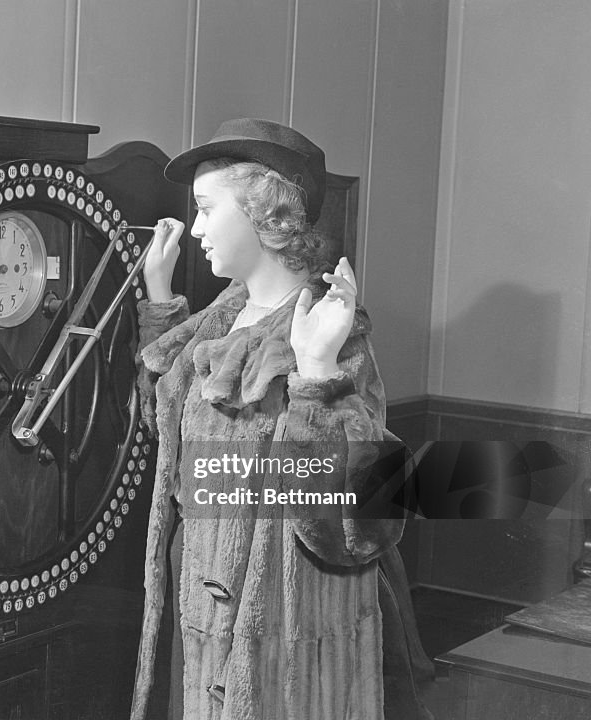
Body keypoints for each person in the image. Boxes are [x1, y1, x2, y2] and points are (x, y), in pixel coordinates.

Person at [129, 118, 432, 720]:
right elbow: (164, 432)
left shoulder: (330, 332)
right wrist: (160, 300)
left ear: (265, 214)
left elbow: (358, 527)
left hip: (287, 640)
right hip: (201, 608)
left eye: (207, 209)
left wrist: (316, 376)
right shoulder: (225, 315)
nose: (195, 229)